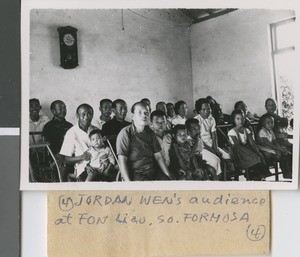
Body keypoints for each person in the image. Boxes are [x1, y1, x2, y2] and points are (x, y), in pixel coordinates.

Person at [116, 102, 172, 181]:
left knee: (168, 184)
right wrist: (128, 184)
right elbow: (122, 161)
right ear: (133, 116)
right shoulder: (125, 133)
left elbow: (158, 157)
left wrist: (168, 176)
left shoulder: (150, 132)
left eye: (146, 113)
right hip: (135, 173)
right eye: (139, 112)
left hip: (153, 171)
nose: (144, 115)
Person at [228, 110, 270, 181]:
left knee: (259, 157)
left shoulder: (246, 130)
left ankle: (256, 176)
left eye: (242, 118)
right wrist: (252, 154)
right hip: (239, 154)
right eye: (238, 119)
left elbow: (252, 143)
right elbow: (237, 146)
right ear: (234, 120)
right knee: (255, 160)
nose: (240, 121)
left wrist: (258, 152)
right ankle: (251, 175)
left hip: (248, 151)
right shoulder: (232, 132)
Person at [60, 104, 98, 181]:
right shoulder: (71, 133)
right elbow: (66, 159)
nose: (86, 117)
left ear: (93, 115)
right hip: (82, 168)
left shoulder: (96, 130)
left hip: (98, 163)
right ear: (77, 115)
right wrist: (81, 157)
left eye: (89, 114)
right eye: (83, 115)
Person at [257, 114, 292, 179]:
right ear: (263, 124)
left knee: (287, 154)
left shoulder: (271, 131)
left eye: (272, 122)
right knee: (280, 155)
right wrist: (279, 150)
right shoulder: (262, 132)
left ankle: (287, 172)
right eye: (268, 123)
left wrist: (280, 148)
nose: (271, 124)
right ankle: (265, 170)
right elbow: (267, 144)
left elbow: (275, 141)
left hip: (271, 148)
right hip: (264, 149)